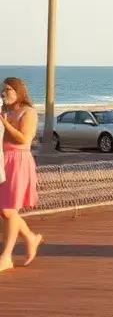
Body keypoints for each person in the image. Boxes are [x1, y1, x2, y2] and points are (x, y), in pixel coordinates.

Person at [0, 78, 41, 272]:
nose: (3, 92)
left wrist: (4, 122)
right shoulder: (8, 112)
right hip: (4, 161)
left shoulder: (29, 112)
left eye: (7, 89)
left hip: (18, 161)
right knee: (5, 210)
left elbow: (24, 138)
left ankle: (6, 256)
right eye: (2, 89)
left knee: (8, 210)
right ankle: (31, 238)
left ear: (18, 91)